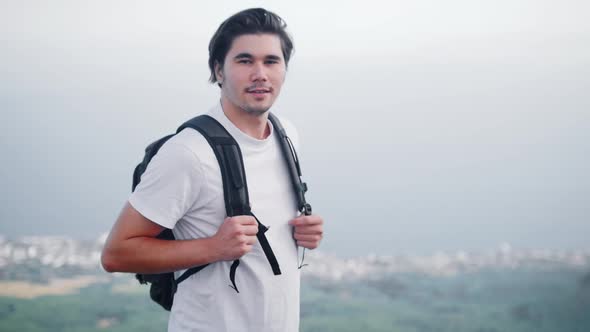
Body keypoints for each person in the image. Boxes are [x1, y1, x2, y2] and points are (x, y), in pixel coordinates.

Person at [101, 7, 324, 332]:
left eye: (271, 61)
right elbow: (116, 254)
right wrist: (213, 247)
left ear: (284, 69)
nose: (260, 73)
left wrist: (303, 232)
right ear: (218, 71)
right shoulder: (189, 153)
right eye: (245, 61)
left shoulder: (286, 135)